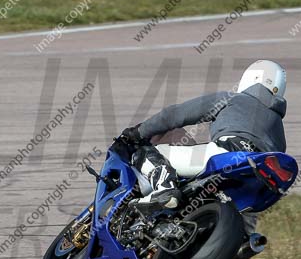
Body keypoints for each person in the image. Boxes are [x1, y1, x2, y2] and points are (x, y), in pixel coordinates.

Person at [119, 60, 287, 216]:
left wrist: (138, 132)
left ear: (251, 78)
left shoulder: (235, 99)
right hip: (254, 178)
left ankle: (165, 189)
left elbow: (177, 115)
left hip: (226, 153)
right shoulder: (279, 131)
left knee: (149, 154)